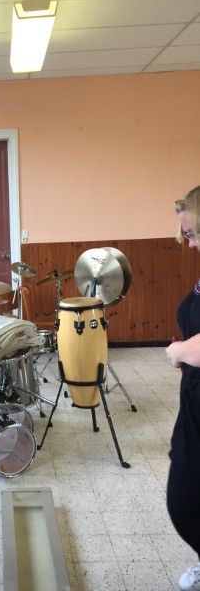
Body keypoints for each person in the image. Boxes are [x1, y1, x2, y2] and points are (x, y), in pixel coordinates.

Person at [166, 185, 200, 591]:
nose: (189, 245)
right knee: (187, 495)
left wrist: (180, 352)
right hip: (193, 398)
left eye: (192, 234)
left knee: (185, 499)